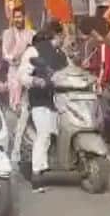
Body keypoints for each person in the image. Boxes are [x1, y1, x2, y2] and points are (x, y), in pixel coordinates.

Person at [13, 21, 69, 189]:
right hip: (39, 98)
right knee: (44, 133)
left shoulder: (61, 54)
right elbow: (22, 74)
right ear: (57, 35)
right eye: (63, 35)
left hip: (59, 99)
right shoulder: (34, 51)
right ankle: (37, 173)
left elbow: (70, 72)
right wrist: (35, 80)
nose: (64, 38)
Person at [1, 6, 35, 110]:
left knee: (27, 103)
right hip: (14, 71)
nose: (17, 20)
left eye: (19, 17)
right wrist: (15, 58)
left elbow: (34, 52)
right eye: (15, 17)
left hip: (28, 71)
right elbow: (5, 54)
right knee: (15, 104)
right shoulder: (7, 33)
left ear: (24, 17)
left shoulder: (31, 33)